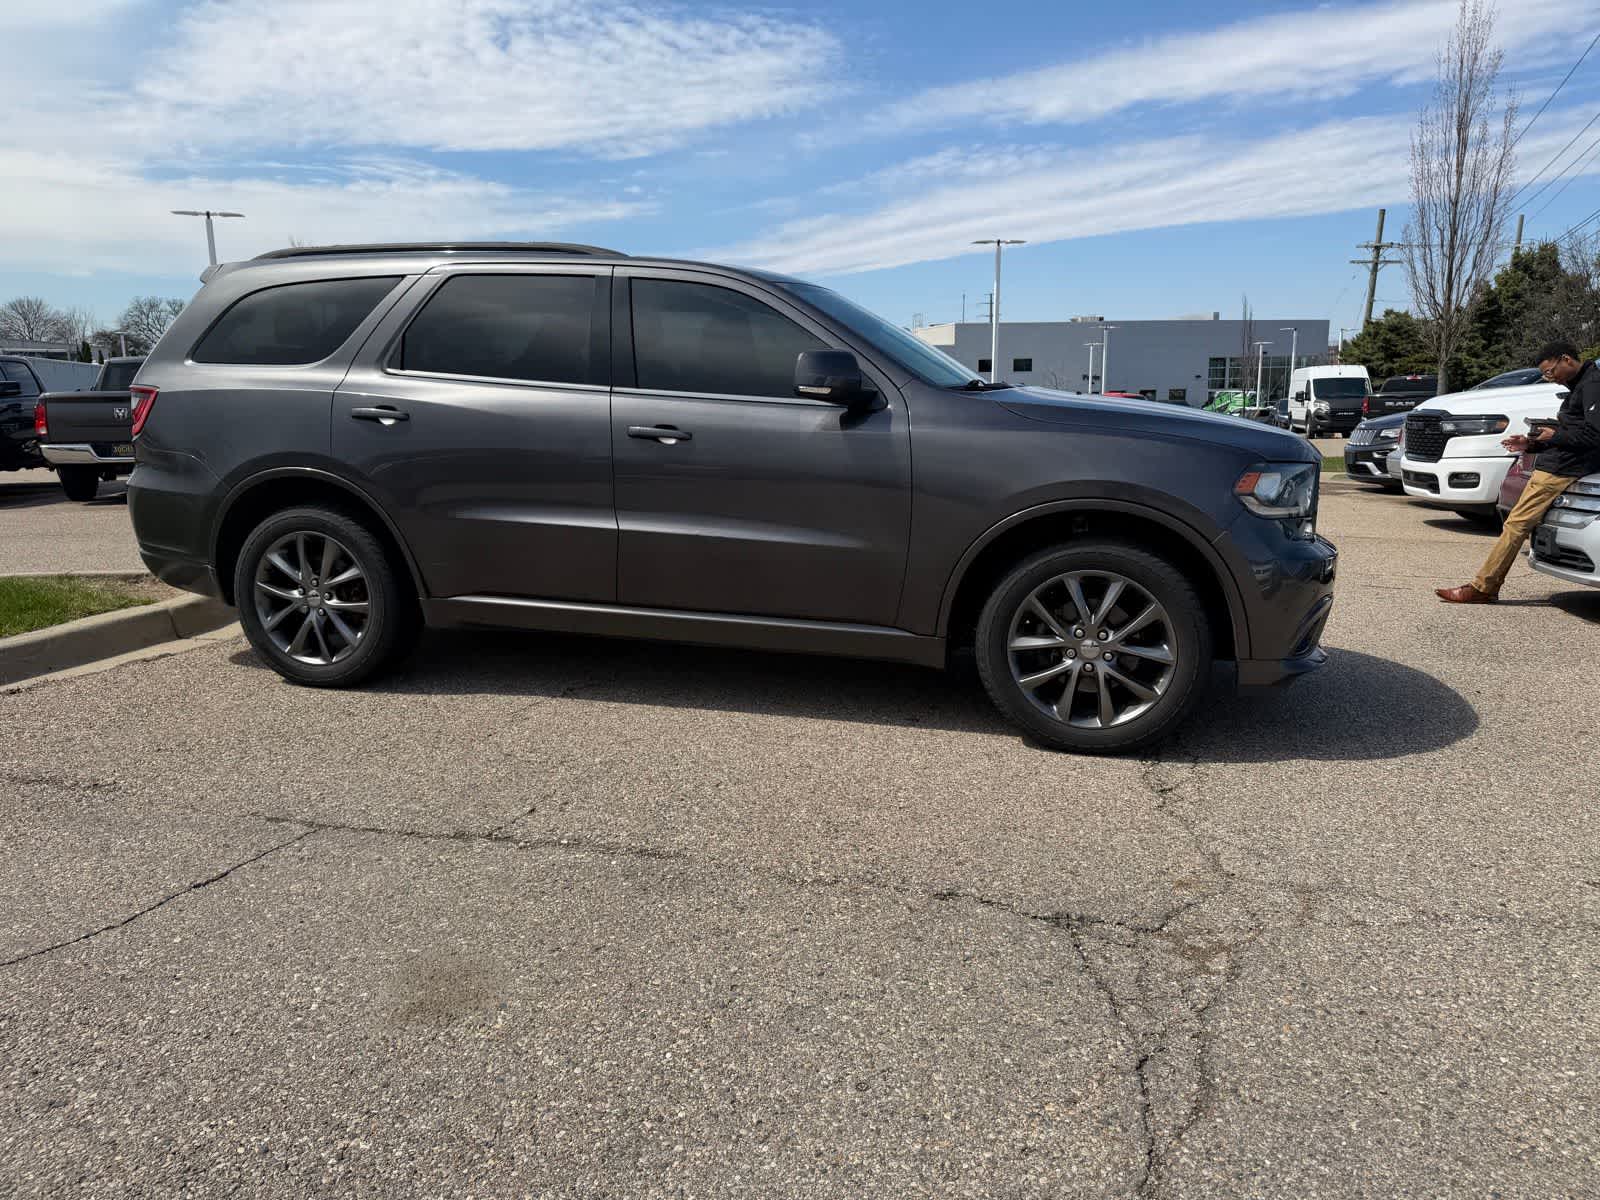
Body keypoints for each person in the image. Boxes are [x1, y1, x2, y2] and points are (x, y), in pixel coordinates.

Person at [1437, 341, 1600, 603]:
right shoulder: (1579, 385)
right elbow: (1574, 433)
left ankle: (1483, 587)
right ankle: (1486, 586)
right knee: (1517, 524)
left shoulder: (1593, 384)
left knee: (1515, 525)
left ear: (1567, 359)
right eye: (1545, 375)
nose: (1550, 378)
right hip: (1557, 464)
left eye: (1550, 372)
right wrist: (1531, 443)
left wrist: (1554, 436)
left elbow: (1594, 435)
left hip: (1561, 469)